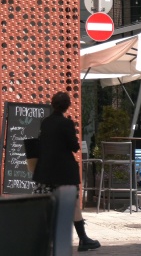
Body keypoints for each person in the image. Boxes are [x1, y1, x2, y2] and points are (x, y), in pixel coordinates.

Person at [32, 92, 100, 252]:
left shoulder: (45, 123)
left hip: (45, 172)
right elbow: (74, 146)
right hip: (64, 173)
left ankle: (43, 240)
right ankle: (83, 239)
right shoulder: (66, 123)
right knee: (74, 204)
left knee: (47, 205)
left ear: (52, 104)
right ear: (68, 106)